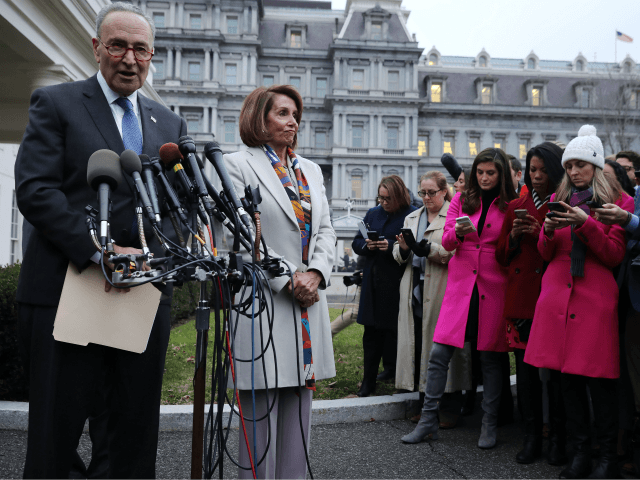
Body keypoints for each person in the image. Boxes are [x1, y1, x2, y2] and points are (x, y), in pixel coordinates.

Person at [14, 3, 187, 478]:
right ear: (96, 48)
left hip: (142, 295)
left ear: (152, 55)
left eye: (141, 48)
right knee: (55, 440)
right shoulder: (57, 103)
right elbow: (36, 189)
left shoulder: (169, 126)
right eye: (118, 45)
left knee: (131, 441)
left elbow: (180, 209)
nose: (129, 58)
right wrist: (99, 251)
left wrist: (148, 259)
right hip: (67, 292)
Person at [223, 84, 336, 480]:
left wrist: (317, 274)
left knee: (299, 413)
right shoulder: (234, 165)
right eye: (284, 113)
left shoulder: (311, 170)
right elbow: (240, 233)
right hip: (264, 301)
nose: (294, 122)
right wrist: (289, 279)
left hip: (308, 302)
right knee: (260, 414)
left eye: (295, 115)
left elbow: (325, 229)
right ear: (260, 119)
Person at [524, 125, 630, 480]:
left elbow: (614, 254)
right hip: (556, 298)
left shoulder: (620, 203)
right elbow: (545, 253)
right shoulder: (561, 198)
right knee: (565, 381)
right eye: (569, 166)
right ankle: (579, 453)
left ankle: (606, 459)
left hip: (594, 300)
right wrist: (548, 230)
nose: (573, 172)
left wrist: (585, 224)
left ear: (596, 166)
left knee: (599, 383)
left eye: (580, 165)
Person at [402, 147, 517, 448]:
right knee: (439, 354)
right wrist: (460, 231)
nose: (484, 177)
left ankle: (488, 424)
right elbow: (448, 241)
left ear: (501, 174)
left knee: (490, 358)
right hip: (461, 283)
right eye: (480, 172)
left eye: (490, 173)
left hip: (493, 285)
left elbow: (509, 248)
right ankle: (429, 421)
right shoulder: (462, 200)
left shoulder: (511, 205)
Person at [495, 142, 567, 465]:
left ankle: (558, 439)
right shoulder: (516, 206)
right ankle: (531, 437)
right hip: (522, 297)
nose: (536, 177)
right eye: (532, 170)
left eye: (542, 170)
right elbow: (500, 256)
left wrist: (541, 232)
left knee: (553, 374)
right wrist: (512, 238)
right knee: (524, 375)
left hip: (551, 296)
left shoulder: (564, 205)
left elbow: (562, 252)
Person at [394, 171, 471, 428]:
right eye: (422, 193)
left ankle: (449, 404)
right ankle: (423, 400)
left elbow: (455, 251)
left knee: (441, 347)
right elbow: (398, 255)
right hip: (415, 287)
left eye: (432, 193)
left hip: (442, 287)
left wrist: (429, 250)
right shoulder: (412, 217)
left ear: (443, 192)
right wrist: (403, 249)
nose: (426, 198)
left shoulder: (454, 214)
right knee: (417, 343)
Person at [352, 175, 416, 396]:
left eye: (387, 198)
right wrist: (368, 245)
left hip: (397, 283)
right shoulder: (373, 213)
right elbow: (356, 242)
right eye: (380, 198)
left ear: (398, 196)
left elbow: (414, 247)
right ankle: (368, 381)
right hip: (373, 283)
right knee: (370, 334)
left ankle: (398, 374)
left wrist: (390, 246)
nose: (383, 203)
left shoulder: (412, 214)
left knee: (396, 333)